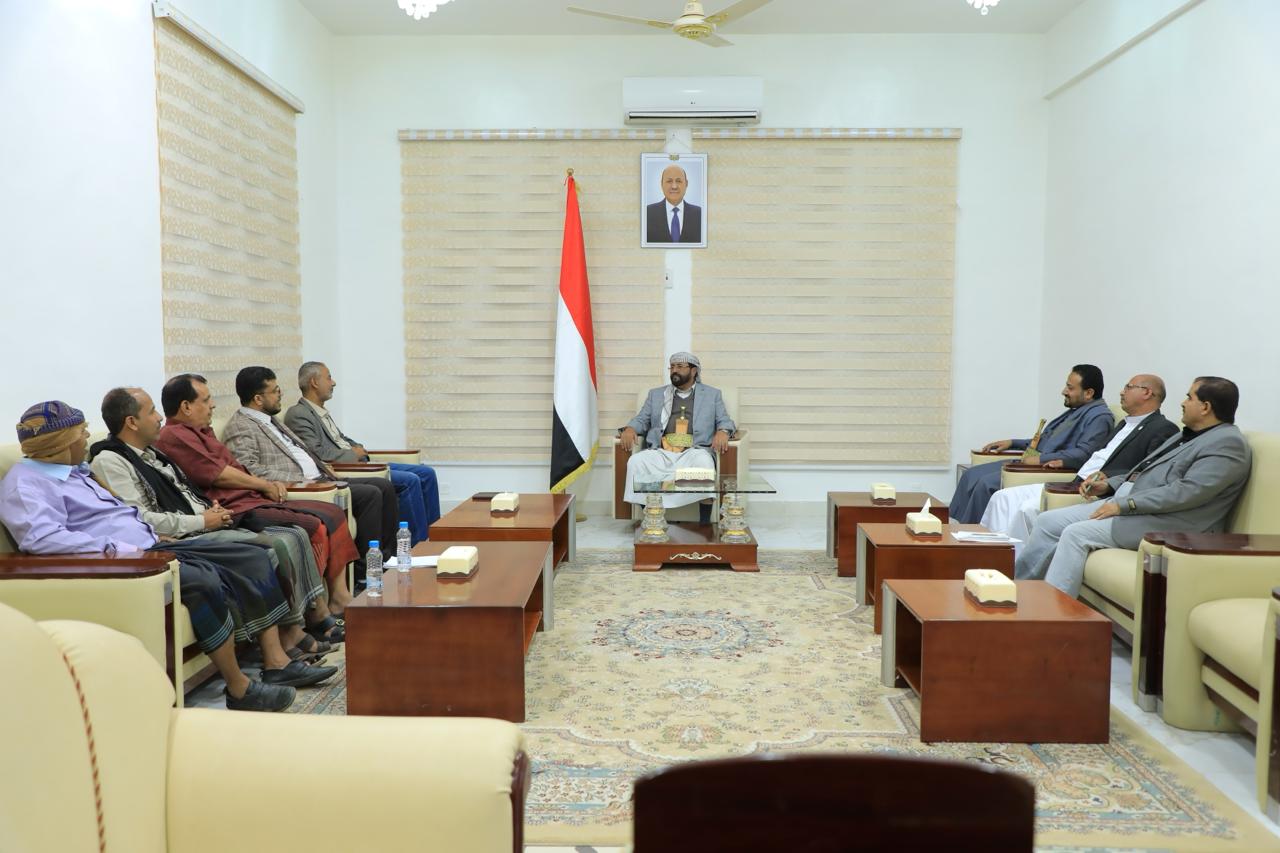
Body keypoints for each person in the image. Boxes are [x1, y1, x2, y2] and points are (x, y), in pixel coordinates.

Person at [0, 401, 336, 711]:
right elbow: (44, 540)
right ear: (60, 443)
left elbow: (118, 514)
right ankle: (240, 689)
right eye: (81, 433)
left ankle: (276, 661)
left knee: (251, 555)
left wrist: (150, 534)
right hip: (126, 562)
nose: (87, 439)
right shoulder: (26, 484)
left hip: (150, 543)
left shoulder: (75, 470)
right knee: (203, 579)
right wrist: (119, 548)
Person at [89, 387, 335, 660]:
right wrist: (202, 520)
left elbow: (185, 492)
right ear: (131, 422)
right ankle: (282, 646)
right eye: (151, 412)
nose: (159, 417)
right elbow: (139, 518)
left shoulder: (151, 453)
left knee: (292, 534)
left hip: (203, 522)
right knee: (268, 547)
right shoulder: (110, 461)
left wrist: (209, 510)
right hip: (174, 539)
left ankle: (294, 632)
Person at [155, 373, 357, 643]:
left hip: (251, 497)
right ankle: (314, 616)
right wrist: (264, 484)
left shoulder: (202, 431)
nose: (213, 405)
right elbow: (218, 474)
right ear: (186, 407)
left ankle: (330, 603)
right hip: (234, 507)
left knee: (329, 513)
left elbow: (233, 467)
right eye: (206, 400)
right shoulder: (175, 435)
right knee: (308, 527)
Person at [1014, 377, 1252, 597]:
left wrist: (1124, 504)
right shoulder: (1188, 435)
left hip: (1169, 521)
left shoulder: (1227, 443)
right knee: (1047, 522)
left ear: (1205, 407)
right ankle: (1017, 593)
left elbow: (1186, 493)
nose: (1182, 402)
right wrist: (1108, 485)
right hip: (1132, 506)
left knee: (1075, 534)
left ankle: (1054, 616)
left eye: (1189, 397)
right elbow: (1143, 471)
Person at [222, 367, 400, 564]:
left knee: (384, 486)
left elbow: (300, 451)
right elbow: (248, 470)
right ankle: (365, 568)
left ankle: (388, 558)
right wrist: (301, 480)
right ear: (258, 399)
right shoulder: (240, 426)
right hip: (302, 487)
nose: (280, 394)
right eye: (275, 390)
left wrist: (321, 466)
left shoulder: (271, 420)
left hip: (321, 478)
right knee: (370, 494)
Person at [980, 374, 1179, 548]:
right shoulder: (1123, 423)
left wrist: (1108, 478)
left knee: (1027, 509)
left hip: (1094, 490)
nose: (1121, 392)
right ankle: (986, 554)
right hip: (1074, 481)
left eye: (1128, 387)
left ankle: (1013, 566)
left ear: (1146, 392)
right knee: (1002, 497)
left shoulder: (1163, 429)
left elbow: (1146, 473)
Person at [285, 361, 440, 544]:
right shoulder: (298, 414)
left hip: (360, 463)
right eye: (329, 378)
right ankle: (416, 545)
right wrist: (354, 454)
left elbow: (341, 439)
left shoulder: (320, 411)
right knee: (410, 480)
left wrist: (358, 449)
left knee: (427, 473)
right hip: (347, 468)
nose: (333, 383)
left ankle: (436, 538)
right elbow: (317, 453)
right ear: (314, 382)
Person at [951, 364, 1114, 523]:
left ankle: (971, 534)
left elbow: (1084, 454)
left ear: (1089, 393)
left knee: (985, 484)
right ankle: (952, 527)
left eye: (1070, 388)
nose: (1064, 391)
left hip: (1046, 468)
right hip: (1031, 462)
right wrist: (1012, 443)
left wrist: (1040, 460)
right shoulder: (1077, 411)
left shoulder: (1100, 417)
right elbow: (1044, 440)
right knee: (970, 475)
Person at [619, 352, 734, 520]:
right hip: (662, 451)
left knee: (704, 463)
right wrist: (630, 428)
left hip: (693, 451)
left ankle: (704, 523)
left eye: (680, 366)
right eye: (672, 367)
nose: (674, 370)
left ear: (694, 371)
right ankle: (651, 517)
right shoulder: (656, 394)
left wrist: (723, 431)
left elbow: (725, 420)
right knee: (636, 462)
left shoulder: (712, 395)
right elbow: (642, 419)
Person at [645, 164, 703, 244]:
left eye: (678, 181)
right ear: (661, 184)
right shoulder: (647, 213)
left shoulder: (700, 214)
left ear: (686, 184)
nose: (674, 186)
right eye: (669, 181)